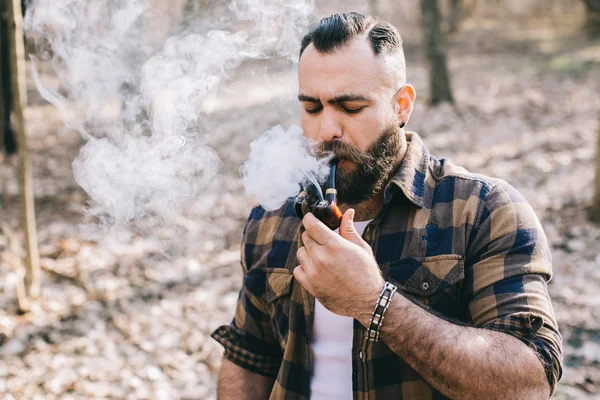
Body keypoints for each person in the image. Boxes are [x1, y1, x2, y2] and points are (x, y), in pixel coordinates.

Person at [212, 12, 562, 399]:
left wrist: (374, 302)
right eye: (312, 108)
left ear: (402, 106)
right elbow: (249, 359)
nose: (327, 130)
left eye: (351, 107)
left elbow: (528, 384)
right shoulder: (271, 218)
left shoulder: (484, 212)